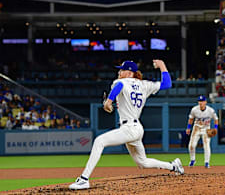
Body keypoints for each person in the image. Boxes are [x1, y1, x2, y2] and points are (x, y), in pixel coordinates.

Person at [69, 60, 184, 190]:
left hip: (129, 128)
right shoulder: (144, 84)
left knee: (99, 141)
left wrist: (109, 101)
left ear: (129, 73)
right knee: (142, 162)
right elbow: (167, 84)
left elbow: (118, 87)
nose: (119, 72)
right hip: (137, 128)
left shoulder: (121, 82)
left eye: (122, 70)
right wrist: (162, 65)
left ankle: (84, 179)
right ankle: (174, 166)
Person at [186, 94, 218, 168]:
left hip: (206, 129)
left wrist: (215, 128)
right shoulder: (194, 109)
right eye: (199, 101)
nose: (201, 103)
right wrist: (188, 127)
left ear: (205, 102)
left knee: (206, 146)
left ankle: (207, 162)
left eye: (202, 101)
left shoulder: (210, 110)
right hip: (196, 128)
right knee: (191, 145)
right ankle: (192, 160)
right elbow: (191, 119)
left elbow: (216, 119)